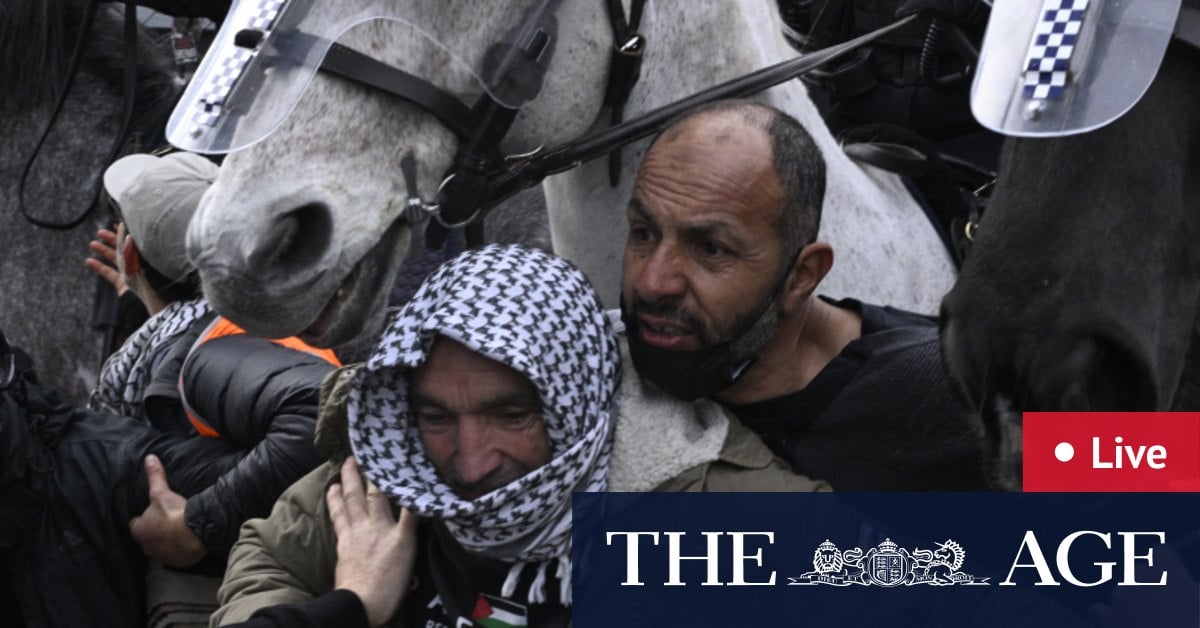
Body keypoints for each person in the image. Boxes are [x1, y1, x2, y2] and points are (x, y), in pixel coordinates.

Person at [211, 244, 828, 627]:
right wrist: (352, 605)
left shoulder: (699, 503)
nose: (471, 465)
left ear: (575, 398)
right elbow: (269, 559)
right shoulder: (392, 473)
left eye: (512, 417)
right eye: (437, 419)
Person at [0, 152, 338, 627]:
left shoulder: (206, 354)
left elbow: (322, 410)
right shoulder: (228, 327)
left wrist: (200, 523)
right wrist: (146, 308)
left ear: (130, 254)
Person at [619, 99, 989, 491]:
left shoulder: (948, 389)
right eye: (644, 232)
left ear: (800, 277)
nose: (653, 283)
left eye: (711, 249)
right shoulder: (598, 371)